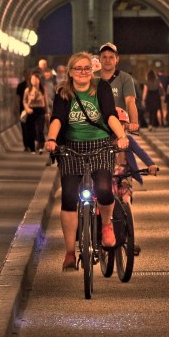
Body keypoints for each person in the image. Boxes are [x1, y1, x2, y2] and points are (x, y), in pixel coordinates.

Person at [44, 52, 130, 271]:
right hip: (71, 148)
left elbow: (110, 114)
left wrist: (120, 137)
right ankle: (70, 252)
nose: (83, 72)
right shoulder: (63, 92)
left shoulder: (101, 88)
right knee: (69, 196)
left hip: (100, 145)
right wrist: (52, 139)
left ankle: (107, 226)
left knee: (103, 188)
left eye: (87, 68)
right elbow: (58, 118)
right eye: (78, 69)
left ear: (92, 70)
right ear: (70, 72)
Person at [112, 107, 157, 255]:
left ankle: (130, 238)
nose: (120, 127)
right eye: (116, 123)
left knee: (126, 200)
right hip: (108, 176)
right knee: (107, 201)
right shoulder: (105, 141)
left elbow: (141, 152)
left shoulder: (129, 140)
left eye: (122, 124)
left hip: (124, 176)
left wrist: (150, 164)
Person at [97, 42, 140, 132]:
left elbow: (130, 101)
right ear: (99, 59)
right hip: (96, 126)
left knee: (131, 145)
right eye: (104, 57)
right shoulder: (92, 77)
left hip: (118, 126)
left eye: (111, 57)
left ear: (117, 59)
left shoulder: (125, 78)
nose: (107, 60)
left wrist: (134, 122)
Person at [22, 72, 47, 154]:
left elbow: (45, 101)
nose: (34, 81)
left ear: (39, 80)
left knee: (40, 129)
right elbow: (24, 101)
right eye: (32, 79)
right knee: (30, 130)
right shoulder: (27, 90)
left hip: (40, 110)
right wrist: (27, 108)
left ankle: (40, 146)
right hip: (31, 110)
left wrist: (47, 112)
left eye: (36, 79)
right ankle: (32, 147)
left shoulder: (43, 90)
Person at [16, 68, 32, 151]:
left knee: (31, 127)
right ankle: (26, 145)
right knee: (24, 127)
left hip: (33, 109)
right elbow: (18, 98)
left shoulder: (34, 85)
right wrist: (17, 107)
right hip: (23, 110)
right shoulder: (20, 85)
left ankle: (30, 144)